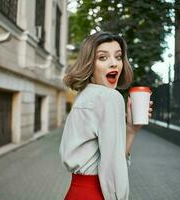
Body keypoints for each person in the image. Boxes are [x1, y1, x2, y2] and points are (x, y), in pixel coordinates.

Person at [59, 31, 153, 200]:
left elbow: (108, 157)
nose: (113, 64)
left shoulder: (84, 95)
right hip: (96, 194)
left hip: (76, 192)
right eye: (103, 58)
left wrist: (131, 130)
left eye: (118, 57)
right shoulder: (110, 97)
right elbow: (113, 168)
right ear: (90, 64)